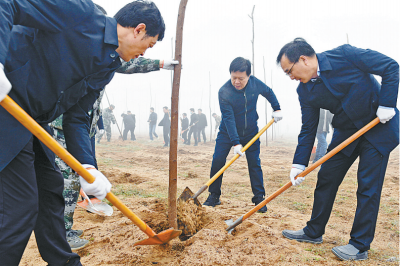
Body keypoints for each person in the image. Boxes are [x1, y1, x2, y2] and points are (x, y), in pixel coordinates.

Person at [0, 0, 165, 265]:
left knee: (51, 191)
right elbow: (9, 4)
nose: (144, 53)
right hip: (7, 105)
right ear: (139, 30)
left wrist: (87, 166)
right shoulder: (81, 14)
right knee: (20, 206)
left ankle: (64, 262)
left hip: (33, 120)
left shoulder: (107, 66)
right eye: (150, 44)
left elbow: (76, 118)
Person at [276, 38, 398, 261]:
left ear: (303, 59)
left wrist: (387, 104)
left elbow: (390, 66)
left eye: (289, 71)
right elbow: (308, 128)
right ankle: (313, 232)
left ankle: (359, 245)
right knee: (327, 177)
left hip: (378, 125)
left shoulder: (344, 55)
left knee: (367, 185)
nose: (290, 77)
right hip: (346, 131)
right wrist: (299, 163)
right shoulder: (305, 91)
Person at [203, 57, 283, 214]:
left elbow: (268, 92)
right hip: (227, 134)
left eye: (241, 78)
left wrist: (277, 108)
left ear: (248, 76)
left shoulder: (255, 83)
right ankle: (214, 195)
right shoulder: (224, 92)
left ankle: (259, 198)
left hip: (251, 132)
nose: (236, 82)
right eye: (234, 77)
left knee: (254, 164)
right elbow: (228, 118)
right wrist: (235, 142)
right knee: (218, 160)